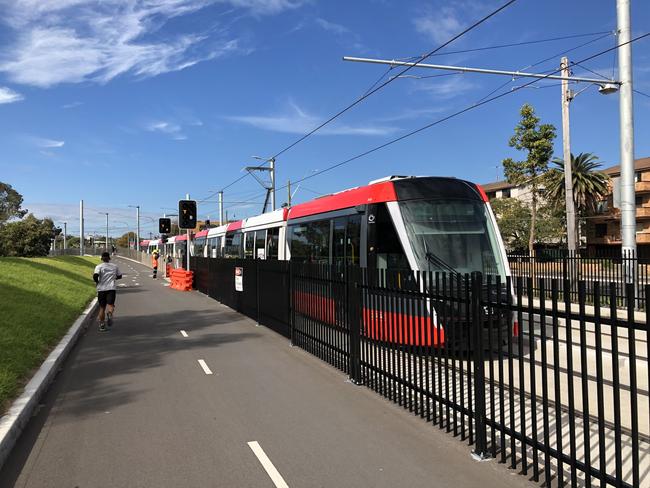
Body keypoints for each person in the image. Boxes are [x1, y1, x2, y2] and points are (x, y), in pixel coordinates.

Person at [93, 251, 122, 332]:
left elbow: (95, 276)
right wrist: (114, 278)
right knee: (111, 305)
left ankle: (102, 325)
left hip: (101, 289)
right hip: (111, 288)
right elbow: (120, 276)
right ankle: (109, 313)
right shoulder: (114, 266)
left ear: (102, 258)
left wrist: (97, 282)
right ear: (109, 258)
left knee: (102, 307)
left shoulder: (99, 267)